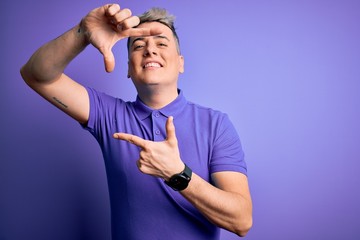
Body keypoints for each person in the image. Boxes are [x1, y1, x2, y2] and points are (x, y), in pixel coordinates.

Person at [20, 3, 252, 239]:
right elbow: (37, 76)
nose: (150, 50)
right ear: (129, 68)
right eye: (139, 46)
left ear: (180, 63)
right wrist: (82, 32)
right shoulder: (107, 115)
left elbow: (242, 221)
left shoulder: (216, 125)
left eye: (161, 43)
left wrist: (178, 174)